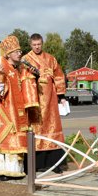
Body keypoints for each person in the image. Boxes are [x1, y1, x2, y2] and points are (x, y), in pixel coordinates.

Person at [0, 35, 39, 180]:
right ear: (8, 54)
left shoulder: (19, 68)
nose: (20, 53)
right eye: (16, 51)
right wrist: (2, 77)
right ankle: (3, 171)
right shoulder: (2, 68)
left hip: (17, 111)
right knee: (5, 139)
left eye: (20, 51)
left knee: (16, 139)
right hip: (5, 112)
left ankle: (15, 169)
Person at [24, 33, 68, 173]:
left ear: (42, 44)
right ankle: (36, 164)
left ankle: (54, 164)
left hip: (50, 100)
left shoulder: (50, 58)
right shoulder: (26, 59)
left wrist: (61, 95)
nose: (37, 47)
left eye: (39, 44)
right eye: (34, 45)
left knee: (52, 127)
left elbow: (60, 75)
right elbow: (22, 78)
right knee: (36, 129)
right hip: (35, 100)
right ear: (31, 45)